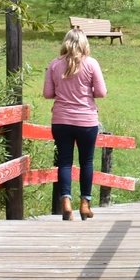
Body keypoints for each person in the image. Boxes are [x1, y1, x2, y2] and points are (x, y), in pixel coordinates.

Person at [43, 29, 107, 221]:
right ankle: (85, 204)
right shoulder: (91, 63)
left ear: (66, 43)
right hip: (86, 120)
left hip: (61, 120)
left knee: (64, 162)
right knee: (86, 162)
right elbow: (101, 92)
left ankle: (66, 203)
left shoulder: (54, 64)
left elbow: (47, 93)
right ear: (84, 44)